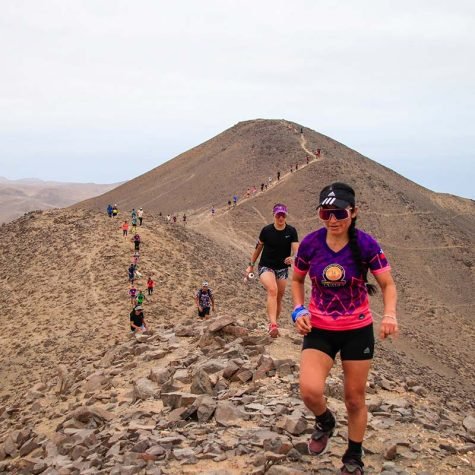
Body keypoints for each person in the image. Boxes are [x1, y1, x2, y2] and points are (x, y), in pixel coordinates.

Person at [291, 183, 397, 475]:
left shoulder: (366, 244)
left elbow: (387, 284)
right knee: (310, 392)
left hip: (357, 329)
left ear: (353, 212)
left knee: (354, 398)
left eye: (339, 213)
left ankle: (354, 455)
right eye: (326, 213)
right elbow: (297, 281)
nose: (333, 220)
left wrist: (389, 314)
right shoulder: (311, 244)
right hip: (319, 328)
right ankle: (325, 421)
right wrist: (298, 309)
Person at [246, 204, 299, 338]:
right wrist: (251, 265)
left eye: (283, 215)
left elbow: (297, 250)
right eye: (278, 215)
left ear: (286, 215)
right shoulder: (266, 230)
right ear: (274, 215)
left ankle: (273, 322)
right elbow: (258, 249)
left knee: (279, 298)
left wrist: (293, 257)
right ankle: (273, 324)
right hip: (266, 266)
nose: (280, 217)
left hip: (282, 269)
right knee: (272, 290)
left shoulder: (291, 231)